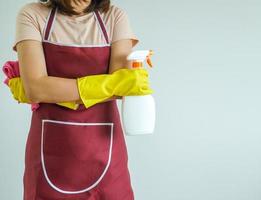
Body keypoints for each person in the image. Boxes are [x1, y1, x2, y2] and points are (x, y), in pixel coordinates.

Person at [6, 0, 153, 199]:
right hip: (49, 151)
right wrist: (109, 84)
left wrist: (54, 90)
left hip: (106, 153)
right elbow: (35, 88)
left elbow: (122, 88)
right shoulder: (33, 15)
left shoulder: (114, 17)